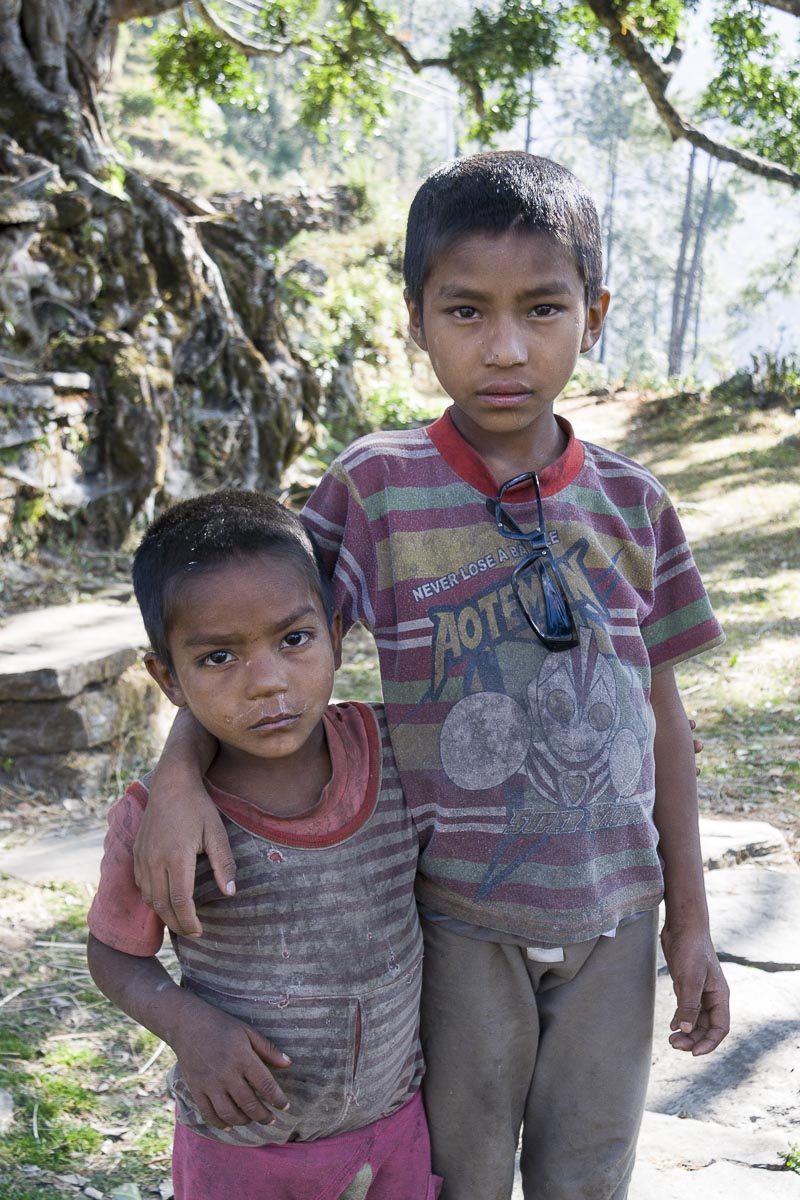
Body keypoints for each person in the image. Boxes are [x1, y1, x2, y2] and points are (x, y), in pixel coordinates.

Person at [132, 152, 730, 1200]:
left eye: (541, 310)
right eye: (463, 312)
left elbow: (662, 719)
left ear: (592, 315)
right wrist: (178, 778)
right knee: (456, 1175)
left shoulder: (635, 504)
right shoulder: (373, 490)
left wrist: (688, 923)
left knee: (586, 1175)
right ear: (413, 317)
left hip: (614, 917)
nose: (503, 349)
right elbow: (260, 643)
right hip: (450, 922)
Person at [86, 490, 442, 1200]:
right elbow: (112, 954)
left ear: (338, 634)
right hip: (239, 1152)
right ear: (168, 679)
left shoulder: (395, 752)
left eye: (294, 640)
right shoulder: (159, 823)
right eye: (219, 657)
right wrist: (188, 1027)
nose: (268, 682)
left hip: (393, 1126)